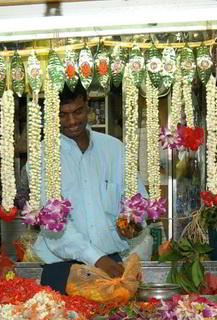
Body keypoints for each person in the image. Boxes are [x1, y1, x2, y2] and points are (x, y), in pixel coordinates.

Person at [32, 84, 145, 294]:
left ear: (88, 104)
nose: (72, 121)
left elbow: (137, 199)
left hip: (111, 265)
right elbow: (55, 227)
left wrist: (133, 222)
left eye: (77, 112)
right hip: (63, 270)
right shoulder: (42, 156)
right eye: (62, 115)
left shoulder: (113, 149)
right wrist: (96, 259)